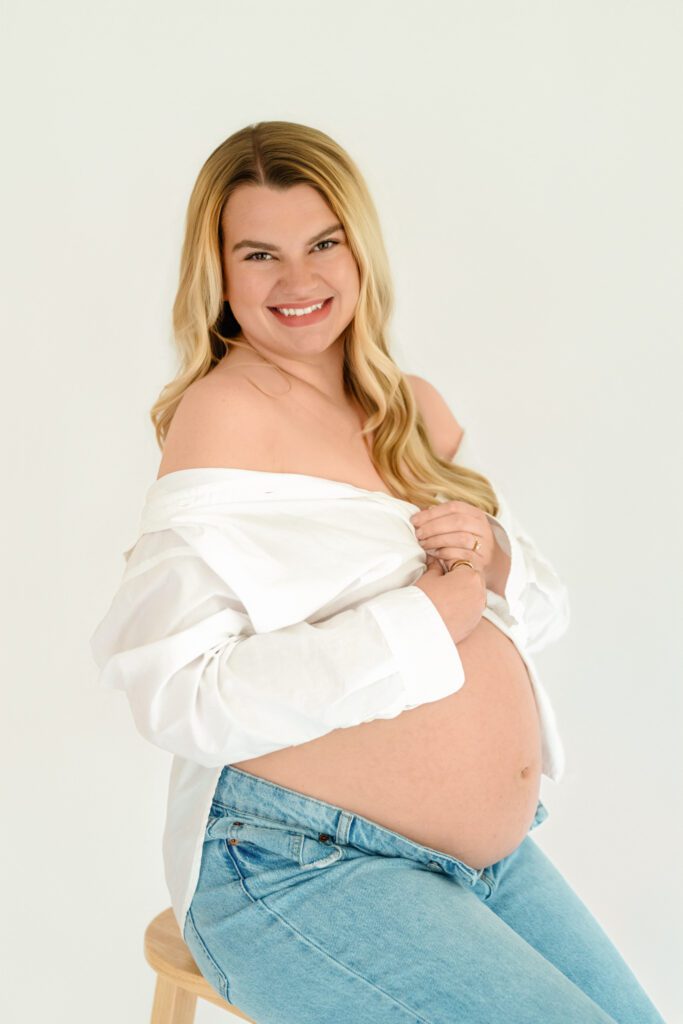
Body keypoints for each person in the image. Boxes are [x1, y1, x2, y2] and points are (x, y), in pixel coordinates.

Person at [90, 120, 666, 1022]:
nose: (298, 281)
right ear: (219, 275)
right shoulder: (225, 414)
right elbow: (177, 694)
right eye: (259, 255)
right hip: (294, 861)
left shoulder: (408, 408)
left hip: (482, 860)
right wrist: (423, 620)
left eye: (323, 244)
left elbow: (537, 611)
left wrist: (492, 554)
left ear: (360, 250)